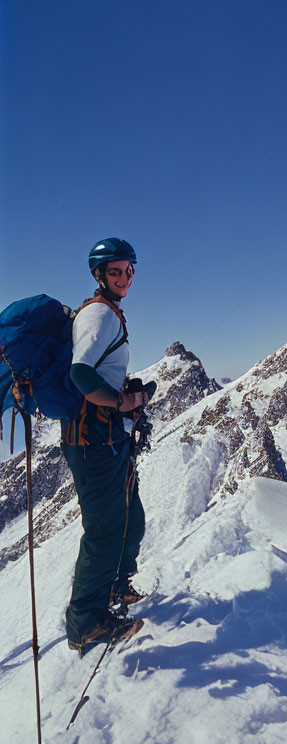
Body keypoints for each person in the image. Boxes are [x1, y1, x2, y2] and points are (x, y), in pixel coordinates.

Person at [62, 238, 155, 654]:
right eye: (115, 270)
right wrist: (123, 401)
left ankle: (117, 584)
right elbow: (81, 374)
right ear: (100, 275)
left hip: (107, 437)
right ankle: (86, 623)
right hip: (93, 441)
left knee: (129, 518)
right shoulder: (100, 315)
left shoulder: (107, 313)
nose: (124, 277)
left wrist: (125, 401)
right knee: (103, 531)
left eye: (129, 270)